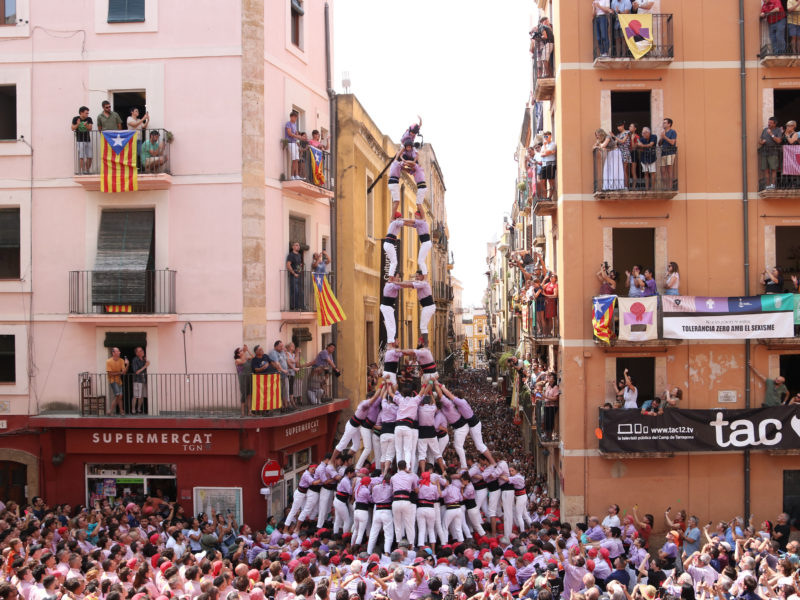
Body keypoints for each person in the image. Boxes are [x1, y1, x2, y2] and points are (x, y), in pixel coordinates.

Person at [388, 139, 427, 218]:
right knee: (399, 201)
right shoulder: (399, 163)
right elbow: (407, 167)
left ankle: (422, 218)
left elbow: (410, 165)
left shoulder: (417, 168)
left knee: (418, 203)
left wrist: (404, 160)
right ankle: (423, 218)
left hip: (421, 187)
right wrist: (403, 159)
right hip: (395, 183)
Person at [759, 117, 784, 190]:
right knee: (765, 169)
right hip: (764, 152)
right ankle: (767, 185)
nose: (768, 124)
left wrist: (771, 134)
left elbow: (779, 141)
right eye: (768, 122)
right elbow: (760, 141)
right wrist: (761, 142)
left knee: (773, 169)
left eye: (770, 123)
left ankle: (772, 185)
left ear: (775, 123)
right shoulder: (764, 130)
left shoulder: (778, 130)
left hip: (773, 152)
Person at [106, 347, 129, 415]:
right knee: (118, 395)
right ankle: (111, 410)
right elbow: (110, 373)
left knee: (120, 396)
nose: (119, 352)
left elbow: (124, 372)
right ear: (113, 353)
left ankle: (120, 411)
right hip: (112, 380)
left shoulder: (121, 360)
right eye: (118, 351)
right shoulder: (108, 361)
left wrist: (127, 364)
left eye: (119, 351)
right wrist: (119, 373)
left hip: (119, 381)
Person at [71, 106, 94, 175]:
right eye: (86, 113)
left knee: (90, 156)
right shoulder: (75, 119)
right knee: (81, 156)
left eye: (88, 113)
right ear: (81, 112)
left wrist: (86, 125)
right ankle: (83, 171)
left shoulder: (89, 119)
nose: (87, 114)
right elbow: (72, 128)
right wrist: (78, 124)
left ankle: (87, 170)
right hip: (80, 140)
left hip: (88, 140)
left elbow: (90, 128)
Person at [234, 345, 254, 416]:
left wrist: (247, 350)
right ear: (238, 354)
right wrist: (244, 352)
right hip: (243, 379)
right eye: (240, 351)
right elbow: (242, 361)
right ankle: (242, 412)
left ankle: (249, 412)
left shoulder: (246, 358)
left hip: (249, 378)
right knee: (244, 395)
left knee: (249, 395)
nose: (242, 351)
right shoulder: (237, 360)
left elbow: (253, 357)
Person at [381, 276, 401, 345]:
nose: (398, 279)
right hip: (386, 307)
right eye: (397, 277)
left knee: (392, 327)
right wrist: (414, 283)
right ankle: (390, 343)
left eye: (399, 277)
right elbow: (402, 285)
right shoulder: (391, 285)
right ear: (393, 277)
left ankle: (391, 342)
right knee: (391, 327)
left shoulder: (392, 285)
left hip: (388, 308)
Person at [130, 346, 149, 415]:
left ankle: (139, 409)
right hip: (137, 380)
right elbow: (136, 372)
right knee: (136, 396)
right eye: (140, 351)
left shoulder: (144, 360)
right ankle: (133, 410)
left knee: (142, 396)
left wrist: (146, 362)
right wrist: (145, 366)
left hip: (144, 380)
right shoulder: (135, 360)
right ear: (137, 353)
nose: (142, 352)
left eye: (142, 350)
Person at [659, 118, 678, 190]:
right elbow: (659, 144)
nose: (663, 124)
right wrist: (661, 138)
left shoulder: (673, 132)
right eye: (663, 123)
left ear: (669, 124)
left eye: (665, 123)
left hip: (670, 153)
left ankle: (670, 187)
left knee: (669, 170)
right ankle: (665, 187)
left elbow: (672, 142)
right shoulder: (663, 132)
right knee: (662, 171)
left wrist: (664, 137)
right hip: (663, 153)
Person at [286, 241, 305, 311]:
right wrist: (294, 273)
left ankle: (300, 307)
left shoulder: (299, 255)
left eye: (299, 245)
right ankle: (294, 307)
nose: (298, 246)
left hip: (299, 275)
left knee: (301, 291)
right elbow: (288, 265)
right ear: (293, 247)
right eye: (296, 245)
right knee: (295, 291)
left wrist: (300, 267)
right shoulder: (291, 255)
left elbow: (299, 264)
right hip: (293, 275)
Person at [285, 110, 303, 180]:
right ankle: (292, 175)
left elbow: (296, 133)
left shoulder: (295, 125)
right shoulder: (288, 124)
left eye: (296, 118)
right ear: (291, 117)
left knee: (296, 159)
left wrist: (299, 137)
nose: (296, 119)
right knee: (293, 159)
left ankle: (297, 175)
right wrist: (297, 136)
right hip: (290, 142)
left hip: (295, 143)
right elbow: (289, 133)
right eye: (295, 117)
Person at [540, 132, 557, 199]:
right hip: (544, 164)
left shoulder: (553, 144)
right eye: (545, 137)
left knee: (550, 180)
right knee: (542, 181)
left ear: (550, 136)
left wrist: (545, 150)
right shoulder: (544, 146)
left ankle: (550, 197)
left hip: (551, 164)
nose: (545, 138)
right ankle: (545, 196)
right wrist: (546, 152)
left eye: (547, 137)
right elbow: (541, 154)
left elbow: (546, 153)